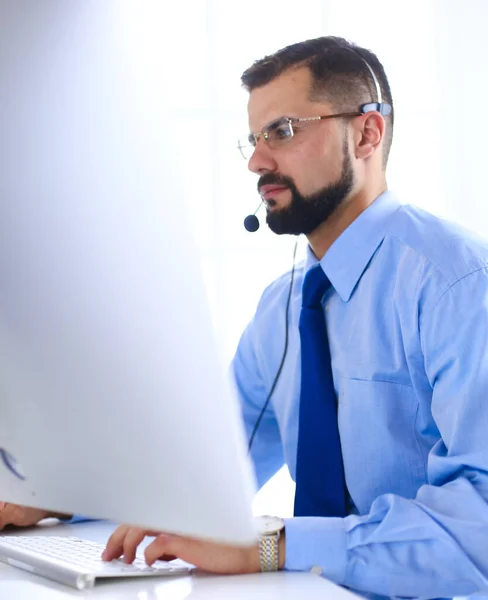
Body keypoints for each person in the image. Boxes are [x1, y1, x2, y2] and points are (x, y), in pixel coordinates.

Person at [4, 35, 488, 599]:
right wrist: (58, 496)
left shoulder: (459, 287)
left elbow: (480, 527)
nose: (259, 161)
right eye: (254, 139)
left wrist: (268, 546)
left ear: (366, 133)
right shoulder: (282, 308)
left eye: (283, 131)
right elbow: (208, 471)